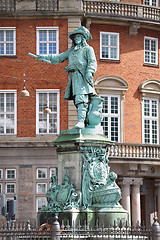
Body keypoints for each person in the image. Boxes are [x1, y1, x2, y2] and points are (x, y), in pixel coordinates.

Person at [36, 26, 97, 129]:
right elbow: (58, 57)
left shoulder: (88, 49)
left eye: (78, 36)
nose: (76, 38)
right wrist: (44, 57)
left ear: (83, 38)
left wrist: (89, 72)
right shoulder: (71, 51)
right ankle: (83, 120)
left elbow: (92, 62)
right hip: (73, 78)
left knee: (81, 98)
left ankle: (81, 122)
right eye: (75, 37)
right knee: (77, 100)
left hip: (82, 77)